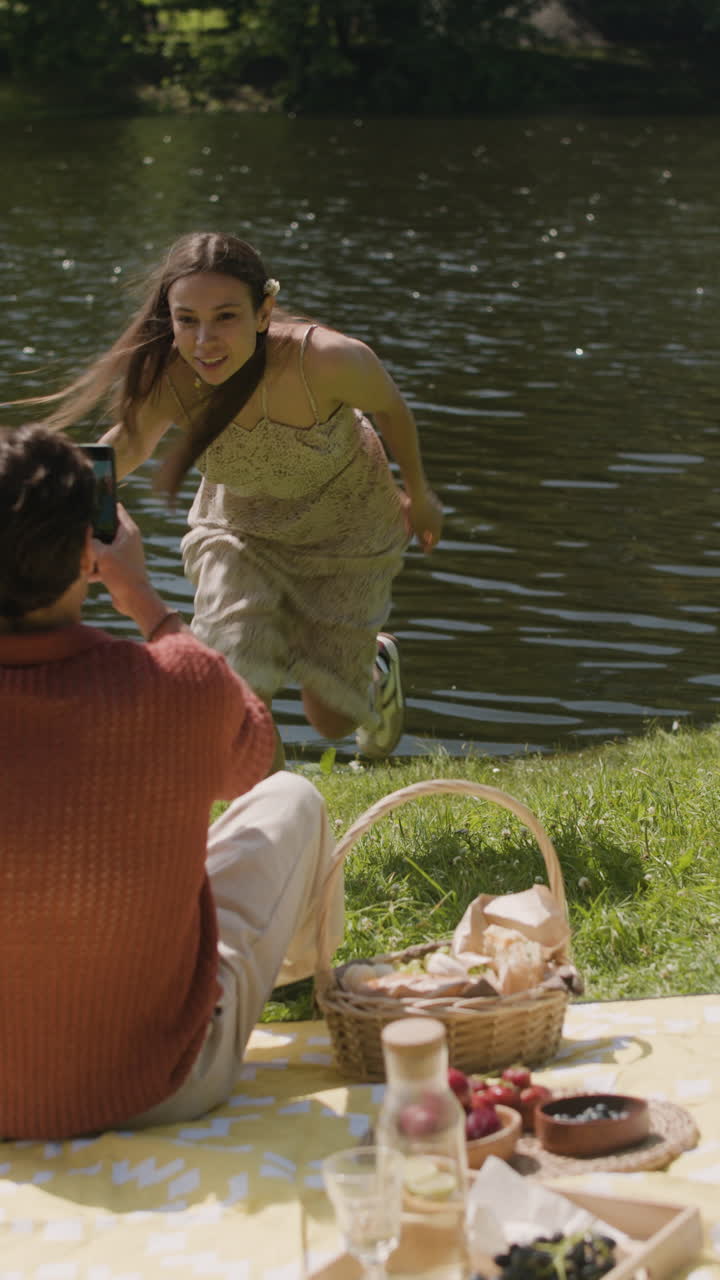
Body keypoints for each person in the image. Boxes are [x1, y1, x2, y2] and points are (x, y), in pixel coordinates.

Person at [0, 423, 344, 1141]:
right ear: (86, 552)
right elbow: (255, 759)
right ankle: (306, 979)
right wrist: (147, 604)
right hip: (156, 1085)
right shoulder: (178, 687)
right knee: (294, 801)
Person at [30, 230, 443, 768]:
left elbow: (391, 409)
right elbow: (124, 447)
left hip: (347, 531)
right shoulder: (170, 381)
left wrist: (419, 491)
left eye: (226, 317)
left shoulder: (327, 361)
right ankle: (268, 824)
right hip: (239, 531)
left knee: (332, 720)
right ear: (169, 318)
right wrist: (48, 507)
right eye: (187, 320)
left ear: (263, 310)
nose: (205, 341)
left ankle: (375, 668)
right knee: (236, 682)